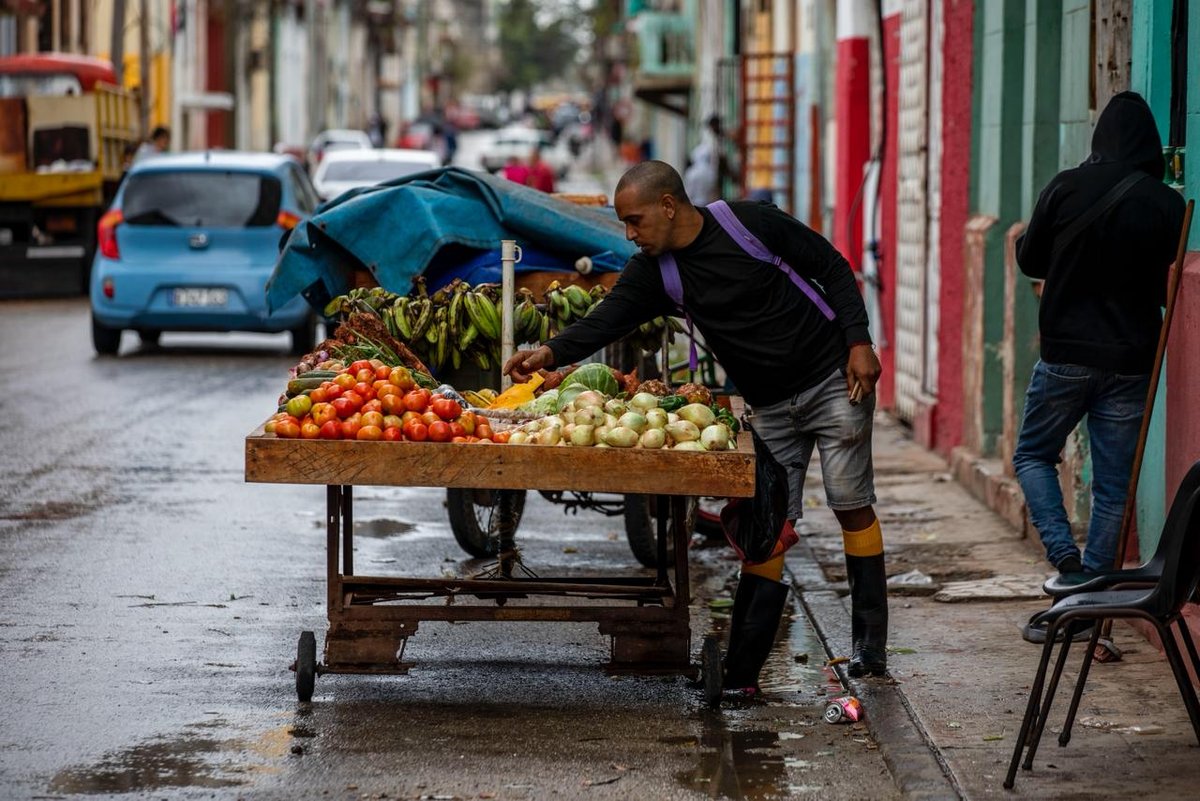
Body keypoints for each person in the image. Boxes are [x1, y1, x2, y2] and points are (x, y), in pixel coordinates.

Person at [503, 161, 888, 684]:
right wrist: (548, 353)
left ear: (668, 205)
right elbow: (608, 318)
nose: (631, 234)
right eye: (625, 225)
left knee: (850, 504)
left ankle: (870, 648)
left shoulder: (749, 223)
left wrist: (859, 341)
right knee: (767, 526)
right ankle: (741, 672)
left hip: (832, 378)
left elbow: (833, 266)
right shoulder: (656, 272)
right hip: (768, 406)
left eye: (636, 220)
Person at [1013, 92, 1186, 591]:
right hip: (1133, 359)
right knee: (1115, 488)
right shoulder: (1167, 203)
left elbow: (1030, 261)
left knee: (1032, 455)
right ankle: (1093, 592)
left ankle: (1068, 565)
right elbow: (1165, 288)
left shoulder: (1065, 187)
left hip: (1066, 355)